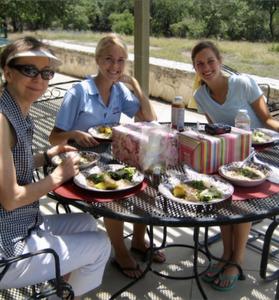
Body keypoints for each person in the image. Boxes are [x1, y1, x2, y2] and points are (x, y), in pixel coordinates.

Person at [0, 36, 111, 299]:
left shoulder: (16, 112)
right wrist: (60, 175)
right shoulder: (2, 122)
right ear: (8, 72)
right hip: (7, 247)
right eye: (29, 70)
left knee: (86, 221)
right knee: (101, 245)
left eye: (47, 72)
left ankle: (56, 286)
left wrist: (49, 154)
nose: (39, 79)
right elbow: (11, 199)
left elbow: (13, 163)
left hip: (23, 223)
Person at [49, 33, 165, 279]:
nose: (115, 66)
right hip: (80, 162)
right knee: (117, 189)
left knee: (150, 174)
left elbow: (149, 118)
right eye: (109, 59)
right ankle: (120, 252)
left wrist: (135, 85)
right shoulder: (78, 92)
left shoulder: (120, 91)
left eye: (121, 60)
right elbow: (54, 138)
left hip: (110, 156)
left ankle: (138, 240)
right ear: (98, 60)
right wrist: (75, 134)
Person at [191, 40, 279, 292]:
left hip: (261, 155)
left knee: (239, 194)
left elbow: (267, 121)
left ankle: (236, 260)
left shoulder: (243, 83)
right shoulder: (200, 96)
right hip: (230, 157)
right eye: (200, 64)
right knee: (219, 187)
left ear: (219, 61)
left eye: (210, 61)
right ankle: (227, 253)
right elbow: (215, 129)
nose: (206, 67)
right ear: (195, 68)